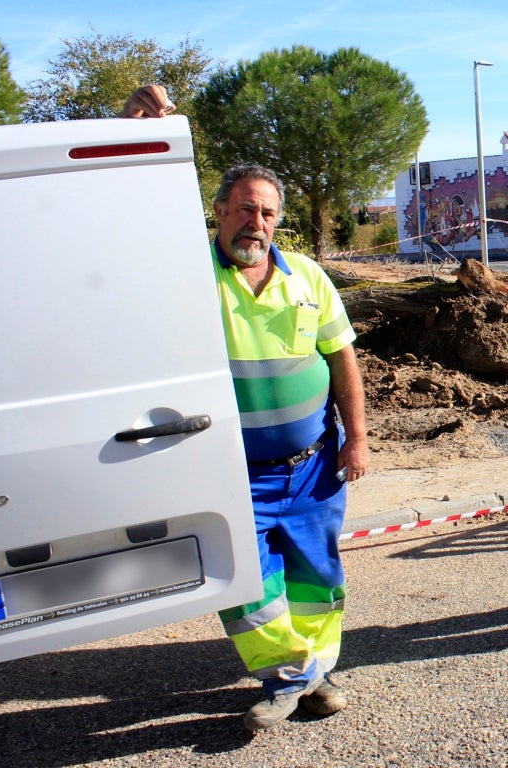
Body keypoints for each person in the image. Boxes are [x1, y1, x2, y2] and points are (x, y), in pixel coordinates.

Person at [123, 86, 369, 731]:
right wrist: (131, 134)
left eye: (265, 213)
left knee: (318, 577)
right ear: (218, 212)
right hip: (233, 473)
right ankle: (292, 676)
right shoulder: (186, 276)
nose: (253, 223)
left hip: (314, 466)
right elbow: (134, 229)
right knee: (244, 584)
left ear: (276, 220)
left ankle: (313, 672)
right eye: (241, 210)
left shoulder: (310, 277)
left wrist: (358, 438)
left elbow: (342, 358)